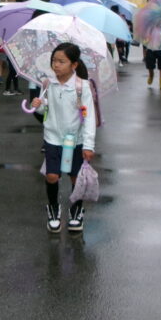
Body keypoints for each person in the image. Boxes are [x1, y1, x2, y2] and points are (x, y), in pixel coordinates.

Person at [30, 42, 96, 234]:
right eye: (54, 61)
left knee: (75, 177)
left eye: (61, 61)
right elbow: (45, 111)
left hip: (76, 140)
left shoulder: (82, 87)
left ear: (74, 65)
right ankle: (53, 208)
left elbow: (89, 117)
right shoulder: (48, 84)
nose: (56, 65)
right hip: (53, 138)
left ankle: (76, 211)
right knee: (52, 176)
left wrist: (89, 145)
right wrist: (38, 106)